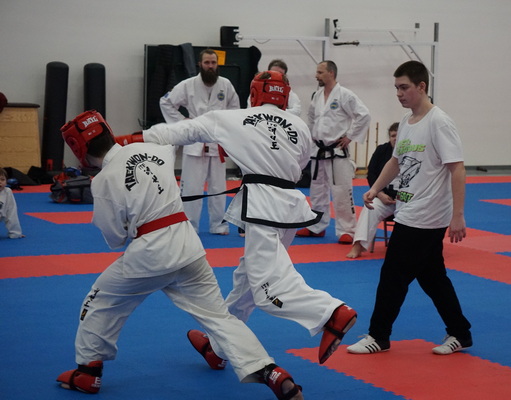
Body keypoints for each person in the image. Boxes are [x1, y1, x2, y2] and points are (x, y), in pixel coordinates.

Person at [56, 110, 303, 400]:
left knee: (100, 301)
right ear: (109, 131)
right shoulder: (154, 148)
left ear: (79, 149)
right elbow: (171, 146)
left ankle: (88, 371)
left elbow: (114, 238)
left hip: (149, 255)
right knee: (220, 318)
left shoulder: (103, 182)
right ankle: (271, 371)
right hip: (189, 248)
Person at [119, 71, 357, 367]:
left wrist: (129, 141)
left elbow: (181, 131)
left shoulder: (234, 118)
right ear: (284, 96)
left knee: (267, 290)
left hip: (263, 208)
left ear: (254, 94)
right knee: (245, 282)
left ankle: (331, 312)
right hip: (290, 207)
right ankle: (219, 346)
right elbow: (299, 163)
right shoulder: (299, 125)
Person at [347, 60, 472, 356]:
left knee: (393, 275)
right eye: (396, 88)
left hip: (426, 214)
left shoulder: (439, 122)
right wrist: (375, 188)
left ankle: (379, 335)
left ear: (421, 86)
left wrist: (458, 215)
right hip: (407, 207)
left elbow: (457, 168)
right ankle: (460, 332)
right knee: (432, 278)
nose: (399, 94)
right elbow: (395, 161)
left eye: (404, 87)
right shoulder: (406, 121)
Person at [160, 48, 239, 235]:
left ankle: (218, 225)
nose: (210, 66)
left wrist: (226, 129)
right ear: (200, 64)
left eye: (213, 63)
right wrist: (183, 122)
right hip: (194, 142)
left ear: (217, 64)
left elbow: (235, 109)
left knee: (218, 188)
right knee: (191, 188)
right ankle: (190, 226)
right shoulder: (187, 85)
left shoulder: (226, 84)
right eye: (207, 63)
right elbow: (166, 102)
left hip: (217, 142)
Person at [296, 60, 371, 244]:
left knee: (341, 191)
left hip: (337, 151)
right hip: (318, 150)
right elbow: (311, 117)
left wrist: (350, 136)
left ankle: (347, 230)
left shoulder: (345, 95)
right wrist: (312, 136)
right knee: (317, 192)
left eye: (320, 72)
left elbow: (364, 115)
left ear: (331, 73)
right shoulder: (317, 95)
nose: (316, 76)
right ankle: (316, 226)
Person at [346, 123, 399, 259]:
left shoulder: (414, 152)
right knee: (370, 208)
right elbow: (372, 174)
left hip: (406, 201)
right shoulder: (382, 150)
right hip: (384, 198)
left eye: (398, 135)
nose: (395, 138)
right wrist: (380, 194)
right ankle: (358, 246)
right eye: (393, 135)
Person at [0, 167, 25, 239]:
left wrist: (15, 233)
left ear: (6, 181)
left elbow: (11, 213)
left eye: (2, 179)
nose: (0, 182)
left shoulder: (7, 192)